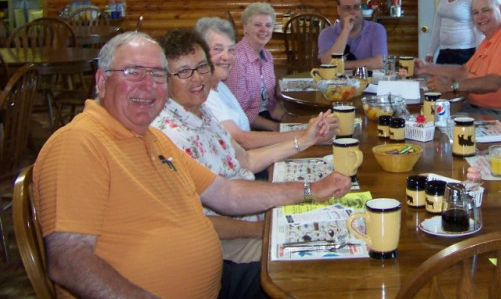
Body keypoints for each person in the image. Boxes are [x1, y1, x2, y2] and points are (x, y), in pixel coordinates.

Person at [33, 32, 351, 299]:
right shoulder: (78, 142)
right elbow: (68, 262)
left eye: (157, 75)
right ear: (102, 81)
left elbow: (227, 194)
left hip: (218, 281)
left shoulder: (150, 140)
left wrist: (313, 190)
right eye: (133, 73)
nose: (148, 86)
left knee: (320, 273)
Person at [152, 28, 338, 263]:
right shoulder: (169, 136)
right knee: (320, 257)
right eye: (183, 72)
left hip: (254, 211)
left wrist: (305, 141)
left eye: (201, 67)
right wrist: (262, 230)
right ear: (164, 79)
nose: (197, 78)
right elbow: (199, 220)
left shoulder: (202, 111)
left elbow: (246, 160)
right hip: (229, 242)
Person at [195, 16, 335, 150]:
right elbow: (242, 140)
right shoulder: (203, 96)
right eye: (217, 49)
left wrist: (303, 131)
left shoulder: (220, 86)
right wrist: (305, 135)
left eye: (231, 50)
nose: (226, 56)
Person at [415, 0, 501, 127]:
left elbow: (493, 82)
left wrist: (451, 86)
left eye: (486, 10)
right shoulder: (490, 38)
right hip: (474, 109)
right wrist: (426, 67)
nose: (480, 17)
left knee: (437, 128)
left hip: (499, 115)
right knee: (425, 122)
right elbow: (463, 71)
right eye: (475, 13)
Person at [226, 2, 290, 131]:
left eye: (268, 25)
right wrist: (277, 128)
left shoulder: (267, 56)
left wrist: (287, 119)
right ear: (245, 28)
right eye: (257, 25)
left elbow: (269, 101)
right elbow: (240, 113)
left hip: (266, 115)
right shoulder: (238, 60)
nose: (264, 30)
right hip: (247, 127)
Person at [318, 0, 388, 70]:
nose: (352, 11)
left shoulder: (377, 29)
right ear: (339, 10)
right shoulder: (326, 34)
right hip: (336, 82)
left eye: (356, 7)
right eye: (347, 8)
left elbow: (380, 62)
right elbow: (327, 63)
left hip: (369, 82)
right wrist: (346, 31)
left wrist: (341, 65)